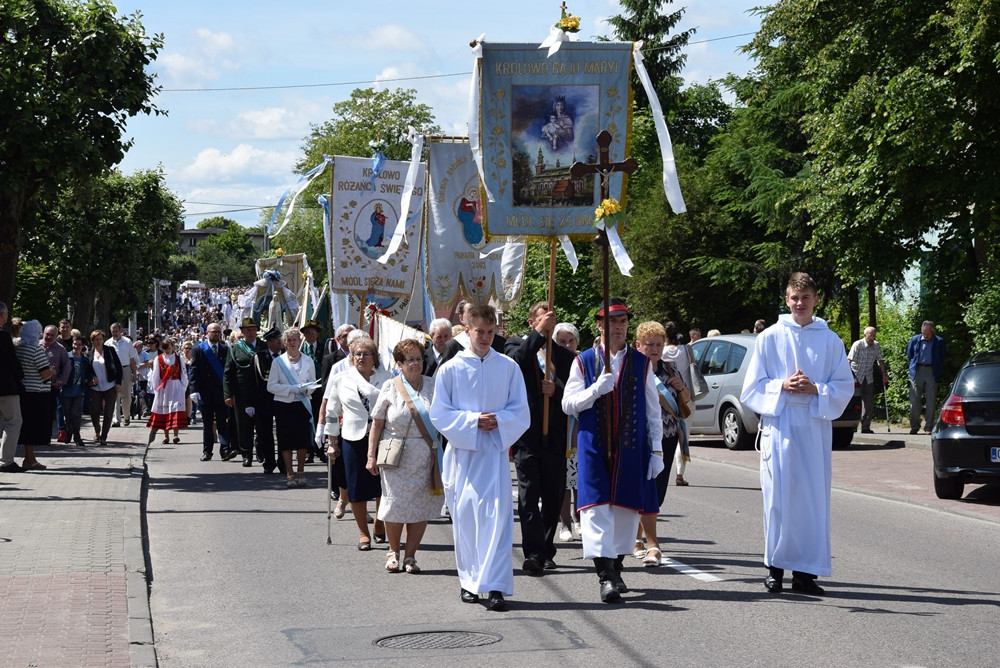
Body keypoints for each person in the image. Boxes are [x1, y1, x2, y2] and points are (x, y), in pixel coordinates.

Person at [740, 272, 854, 596]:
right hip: (781, 427)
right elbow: (751, 388)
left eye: (805, 298)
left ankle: (805, 574)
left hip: (815, 430)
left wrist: (816, 388)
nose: (800, 304)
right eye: (794, 298)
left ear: (816, 299)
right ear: (786, 300)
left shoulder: (830, 340)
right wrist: (782, 386)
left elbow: (844, 385)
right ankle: (774, 569)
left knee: (811, 501)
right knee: (777, 500)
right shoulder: (770, 337)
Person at [561, 298, 663, 603]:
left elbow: (653, 410)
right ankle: (605, 576)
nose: (617, 327)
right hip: (593, 446)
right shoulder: (584, 361)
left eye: (622, 322)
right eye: (611, 322)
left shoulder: (642, 362)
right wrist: (595, 390)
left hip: (631, 447)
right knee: (594, 510)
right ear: (599, 326)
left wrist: (656, 450)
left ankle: (616, 567)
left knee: (625, 511)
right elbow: (568, 404)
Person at [430, 303, 530, 612]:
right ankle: (469, 581)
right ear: (467, 330)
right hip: (464, 455)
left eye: (491, 332)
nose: (485, 337)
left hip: (495, 455)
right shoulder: (451, 369)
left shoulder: (508, 367)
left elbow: (520, 410)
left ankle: (496, 586)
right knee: (468, 519)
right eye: (479, 332)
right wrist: (473, 421)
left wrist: (499, 420)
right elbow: (440, 413)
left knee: (498, 521)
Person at [505, 302, 574, 574]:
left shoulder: (564, 356)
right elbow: (517, 362)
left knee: (553, 496)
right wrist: (537, 336)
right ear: (533, 322)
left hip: (555, 437)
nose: (548, 325)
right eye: (544, 320)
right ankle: (533, 552)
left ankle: (546, 549)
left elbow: (571, 395)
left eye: (552, 320)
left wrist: (555, 391)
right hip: (527, 436)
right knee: (528, 496)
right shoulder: (515, 346)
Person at [366, 338, 443, 575]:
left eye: (419, 358)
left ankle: (410, 556)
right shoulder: (391, 386)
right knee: (395, 504)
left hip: (425, 457)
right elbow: (377, 424)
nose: (416, 363)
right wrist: (371, 455)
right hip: (394, 456)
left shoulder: (433, 385)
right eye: (410, 359)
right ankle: (393, 552)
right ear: (399, 363)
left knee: (421, 507)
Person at [323, 336, 391, 549]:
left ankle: (380, 523)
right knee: (356, 486)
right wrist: (332, 441)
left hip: (383, 436)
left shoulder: (387, 378)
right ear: (352, 358)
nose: (362, 357)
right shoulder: (342, 379)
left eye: (366, 354)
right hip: (353, 437)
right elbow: (332, 412)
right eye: (357, 354)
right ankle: (363, 533)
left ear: (374, 357)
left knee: (383, 485)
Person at [633, 321, 689, 568]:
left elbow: (686, 400)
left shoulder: (670, 368)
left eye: (658, 344)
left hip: (667, 436)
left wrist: (680, 387)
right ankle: (638, 541)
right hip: (639, 437)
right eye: (649, 344)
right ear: (638, 345)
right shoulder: (634, 368)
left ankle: (640, 538)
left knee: (659, 490)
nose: (654, 349)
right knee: (642, 488)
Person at [267, 328, 318, 488]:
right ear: (284, 342)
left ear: (299, 341)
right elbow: (271, 386)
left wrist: (306, 389)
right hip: (284, 406)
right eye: (288, 340)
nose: (291, 343)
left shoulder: (308, 361)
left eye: (294, 339)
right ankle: (289, 473)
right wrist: (291, 389)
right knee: (286, 441)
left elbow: (314, 383)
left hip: (303, 405)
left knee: (302, 440)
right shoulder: (278, 362)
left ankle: (301, 471)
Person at [189, 322, 235, 461]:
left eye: (217, 331)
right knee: (207, 425)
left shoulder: (225, 349)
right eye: (213, 331)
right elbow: (194, 371)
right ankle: (207, 451)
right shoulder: (198, 349)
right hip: (205, 393)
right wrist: (194, 390)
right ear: (207, 333)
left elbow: (228, 373)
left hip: (220, 393)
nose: (215, 334)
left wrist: (230, 391)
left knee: (222, 423)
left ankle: (225, 450)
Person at [224, 317, 266, 467]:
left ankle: (261, 452)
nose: (251, 332)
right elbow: (228, 373)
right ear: (242, 332)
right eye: (248, 330)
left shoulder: (262, 346)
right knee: (243, 425)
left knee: (261, 424)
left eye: (254, 329)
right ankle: (246, 453)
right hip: (241, 392)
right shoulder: (235, 348)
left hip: (261, 392)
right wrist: (227, 394)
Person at [553, 321, 581, 542]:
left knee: (580, 479)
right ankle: (565, 524)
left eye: (570, 341)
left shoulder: (585, 363)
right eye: (562, 341)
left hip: (581, 430)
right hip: (559, 430)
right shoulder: (550, 364)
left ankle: (579, 519)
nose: (567, 344)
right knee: (564, 480)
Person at [15, 320, 53, 470]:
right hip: (37, 393)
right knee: (33, 426)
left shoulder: (19, 348)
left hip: (23, 391)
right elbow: (44, 373)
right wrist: (53, 371)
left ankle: (29, 458)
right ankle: (29, 459)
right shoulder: (36, 350)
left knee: (26, 425)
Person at [660, 321, 695, 486]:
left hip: (665, 399)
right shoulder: (687, 350)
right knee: (684, 436)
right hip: (685, 398)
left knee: (663, 435)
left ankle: (661, 470)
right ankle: (680, 474)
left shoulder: (660, 351)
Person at [254, 326, 284, 475]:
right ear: (269, 342)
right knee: (265, 433)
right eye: (278, 340)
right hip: (264, 400)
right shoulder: (260, 356)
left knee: (283, 433)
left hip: (284, 400)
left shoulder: (287, 355)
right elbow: (256, 379)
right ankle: (269, 462)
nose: (281, 343)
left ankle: (283, 462)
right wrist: (250, 404)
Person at [906, 320, 946, 435]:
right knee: (914, 401)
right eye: (924, 332)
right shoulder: (915, 339)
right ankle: (914, 426)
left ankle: (929, 427)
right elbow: (910, 355)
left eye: (928, 333)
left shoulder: (939, 341)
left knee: (931, 401)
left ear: (933, 332)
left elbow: (942, 356)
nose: (925, 335)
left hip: (932, 371)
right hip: (917, 370)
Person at [147, 337, 188, 444]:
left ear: (172, 347)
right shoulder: (158, 359)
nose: (167, 351)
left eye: (169, 348)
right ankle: (166, 436)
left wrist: (183, 386)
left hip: (176, 386)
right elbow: (156, 375)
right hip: (164, 388)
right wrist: (156, 389)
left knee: (175, 410)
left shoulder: (179, 358)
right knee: (165, 410)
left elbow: (183, 373)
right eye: (165, 349)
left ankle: (175, 435)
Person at [848, 326, 889, 434]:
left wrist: (884, 374)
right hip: (856, 376)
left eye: (874, 335)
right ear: (865, 335)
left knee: (869, 403)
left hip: (868, 377)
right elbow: (849, 360)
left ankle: (865, 427)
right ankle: (852, 425)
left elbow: (880, 361)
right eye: (871, 336)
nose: (872, 338)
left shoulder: (876, 345)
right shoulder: (858, 344)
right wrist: (846, 376)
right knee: (853, 401)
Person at [0, 302, 24, 473]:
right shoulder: (2, 336)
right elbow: (11, 360)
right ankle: (6, 460)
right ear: (2, 315)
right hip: (5, 386)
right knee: (14, 421)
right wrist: (20, 375)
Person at [88, 329, 123, 446]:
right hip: (96, 387)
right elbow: (87, 370)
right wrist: (91, 377)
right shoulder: (90, 353)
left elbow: (118, 367)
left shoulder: (110, 351)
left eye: (100, 339)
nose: (98, 341)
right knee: (94, 411)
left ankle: (103, 437)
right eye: (96, 339)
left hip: (110, 385)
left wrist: (118, 383)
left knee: (108, 412)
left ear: (103, 340)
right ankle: (97, 431)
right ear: (92, 341)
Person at [299, 320, 327, 464]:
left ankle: (320, 450)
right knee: (306, 422)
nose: (310, 334)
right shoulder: (300, 350)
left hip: (320, 390)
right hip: (304, 390)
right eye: (307, 332)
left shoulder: (324, 348)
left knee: (320, 420)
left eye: (313, 332)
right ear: (303, 334)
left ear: (317, 334)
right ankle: (309, 451)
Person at [62, 335, 95, 448]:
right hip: (66, 390)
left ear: (83, 346)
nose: (76, 346)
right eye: (75, 344)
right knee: (67, 415)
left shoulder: (85, 359)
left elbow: (89, 372)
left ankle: (77, 437)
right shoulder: (67, 357)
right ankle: (69, 431)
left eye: (79, 345)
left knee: (75, 414)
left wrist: (91, 378)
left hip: (79, 390)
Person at [41, 325, 70, 442]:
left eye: (52, 335)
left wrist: (61, 380)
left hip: (51, 386)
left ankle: (45, 437)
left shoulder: (60, 349)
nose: (49, 337)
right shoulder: (36, 346)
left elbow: (67, 366)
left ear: (56, 336)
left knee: (48, 412)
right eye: (47, 334)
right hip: (35, 385)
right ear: (43, 333)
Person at [109, 323, 138, 427]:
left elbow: (132, 359)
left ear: (120, 331)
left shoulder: (127, 342)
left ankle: (126, 416)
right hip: (113, 371)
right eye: (113, 331)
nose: (114, 333)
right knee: (114, 395)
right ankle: (116, 419)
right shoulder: (108, 343)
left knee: (126, 396)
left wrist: (134, 374)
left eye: (116, 331)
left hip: (125, 369)